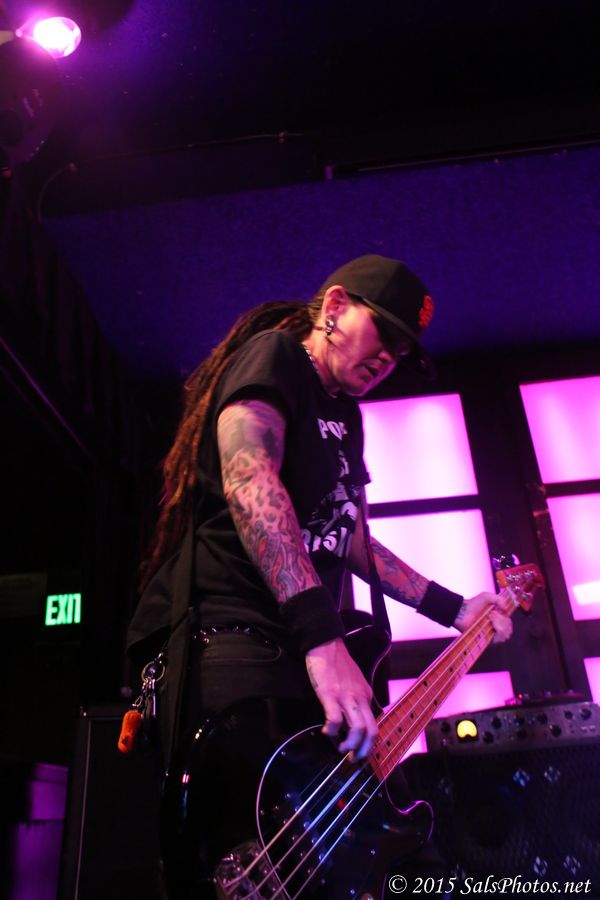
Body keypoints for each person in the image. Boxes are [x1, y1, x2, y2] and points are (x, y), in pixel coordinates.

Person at [127, 254, 513, 898]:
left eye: (402, 351)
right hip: (238, 635)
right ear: (334, 307)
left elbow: (348, 535)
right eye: (383, 333)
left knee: (307, 864)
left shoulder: (348, 417)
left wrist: (453, 609)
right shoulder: (276, 357)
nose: (388, 358)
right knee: (229, 855)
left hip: (297, 650)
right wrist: (322, 638)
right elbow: (250, 478)